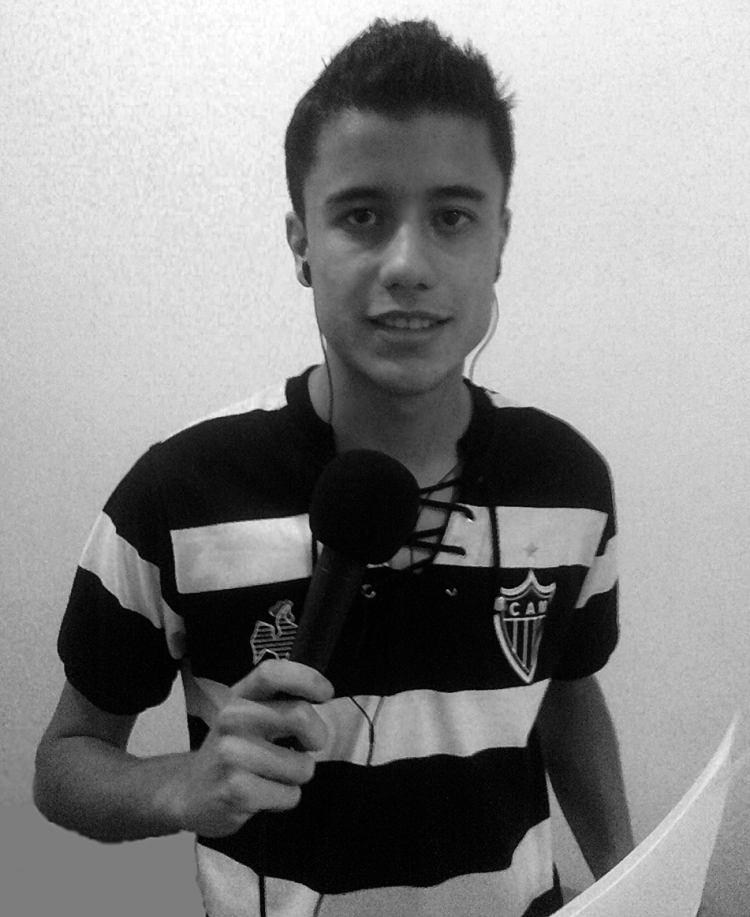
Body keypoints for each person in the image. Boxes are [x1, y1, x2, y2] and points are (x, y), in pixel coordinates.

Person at [34, 18, 635, 917]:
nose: (407, 264)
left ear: (500, 239)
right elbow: (63, 763)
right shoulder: (176, 492)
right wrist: (180, 785)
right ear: (301, 243)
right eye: (362, 215)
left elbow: (566, 695)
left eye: (452, 216)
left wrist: (634, 881)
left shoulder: (569, 482)